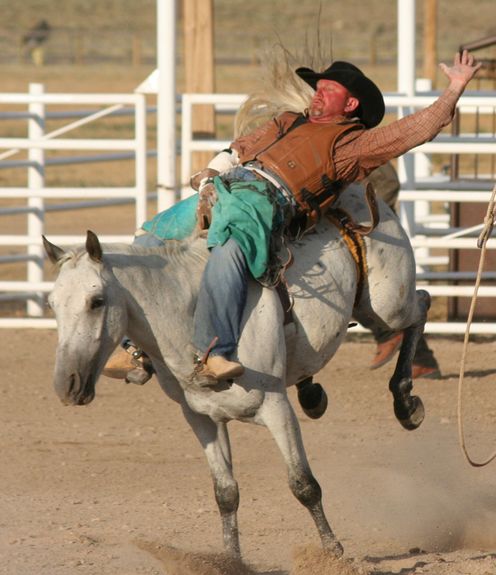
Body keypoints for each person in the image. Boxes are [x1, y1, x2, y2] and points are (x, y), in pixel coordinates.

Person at [105, 50, 480, 388]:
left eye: (328, 89)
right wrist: (210, 173)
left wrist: (455, 88)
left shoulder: (354, 147)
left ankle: (214, 351)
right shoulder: (287, 121)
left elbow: (417, 128)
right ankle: (134, 347)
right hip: (225, 188)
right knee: (152, 237)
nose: (317, 93)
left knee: (229, 251)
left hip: (270, 203)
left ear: (350, 103)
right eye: (318, 86)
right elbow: (241, 148)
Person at [362, 163, 441, 379]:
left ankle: (389, 334)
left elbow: (388, 183)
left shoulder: (354, 138)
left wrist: (372, 221)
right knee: (389, 297)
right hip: (366, 229)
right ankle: (421, 361)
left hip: (371, 232)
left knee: (355, 290)